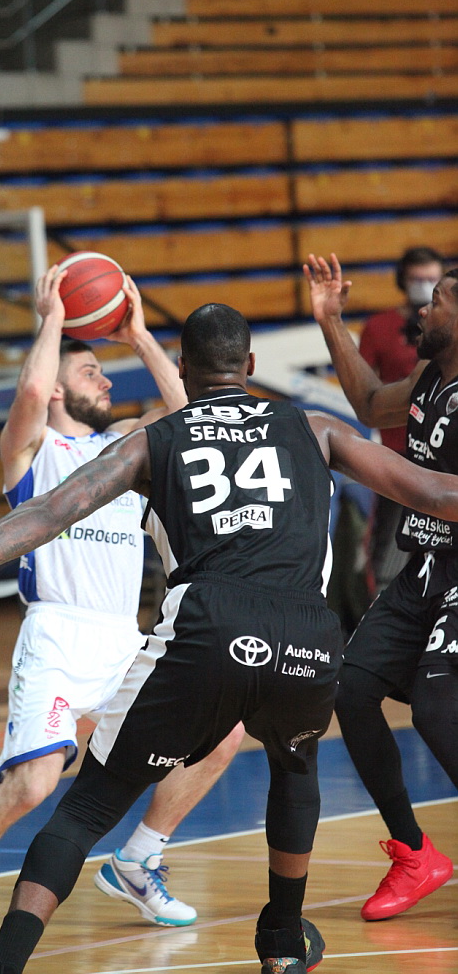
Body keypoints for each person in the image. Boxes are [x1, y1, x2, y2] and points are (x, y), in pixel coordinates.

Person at [0, 299, 458, 973]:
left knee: (85, 810)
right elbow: (433, 494)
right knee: (295, 766)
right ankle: (283, 937)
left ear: (184, 370)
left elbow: (50, 511)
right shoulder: (313, 427)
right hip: (308, 633)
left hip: (208, 625)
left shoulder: (153, 440)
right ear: (250, 365)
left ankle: (5, 965)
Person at [0, 266, 243, 954]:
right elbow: (32, 392)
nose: (105, 382)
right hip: (58, 634)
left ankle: (138, 860)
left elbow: (192, 411)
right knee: (31, 786)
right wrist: (52, 320)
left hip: (124, 639)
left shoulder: (128, 451)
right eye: (91, 371)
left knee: (223, 732)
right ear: (63, 389)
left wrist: (137, 335)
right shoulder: (34, 450)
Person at [306, 252, 456, 922]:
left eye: (439, 300)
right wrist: (329, 320)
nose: (424, 308)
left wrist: (369, 466)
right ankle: (415, 853)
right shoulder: (429, 376)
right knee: (350, 689)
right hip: (424, 566)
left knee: (436, 706)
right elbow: (368, 402)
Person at [359, 246, 444, 595]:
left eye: (431, 279)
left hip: (444, 456)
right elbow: (364, 390)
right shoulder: (379, 327)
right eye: (417, 279)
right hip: (396, 455)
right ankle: (379, 611)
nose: (424, 286)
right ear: (402, 280)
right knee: (388, 550)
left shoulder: (448, 328)